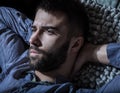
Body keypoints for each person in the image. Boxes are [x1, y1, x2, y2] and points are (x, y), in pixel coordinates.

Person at [0, 0, 120, 93]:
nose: (32, 40)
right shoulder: (16, 65)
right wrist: (37, 32)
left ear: (76, 44)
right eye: (33, 29)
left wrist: (93, 52)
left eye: (50, 31)